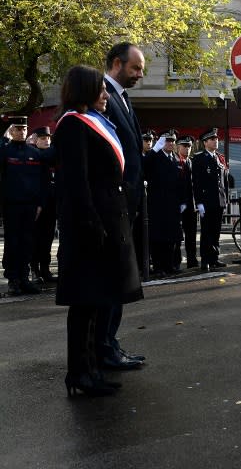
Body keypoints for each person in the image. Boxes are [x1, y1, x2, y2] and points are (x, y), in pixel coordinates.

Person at [53, 64, 143, 397]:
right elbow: (77, 184)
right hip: (90, 228)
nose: (106, 94)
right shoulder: (73, 126)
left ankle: (90, 369)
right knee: (84, 305)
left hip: (104, 223)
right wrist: (92, 223)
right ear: (85, 91)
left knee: (95, 302)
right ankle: (79, 373)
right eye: (100, 89)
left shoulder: (89, 122)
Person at [99, 41, 146, 370]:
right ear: (117, 64)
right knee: (111, 281)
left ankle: (109, 343)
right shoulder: (102, 97)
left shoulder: (122, 98)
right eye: (136, 68)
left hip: (126, 205)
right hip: (113, 206)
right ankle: (104, 347)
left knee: (119, 280)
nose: (140, 75)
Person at [0, 116, 46, 295]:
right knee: (13, 243)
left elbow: (42, 181)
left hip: (31, 206)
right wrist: (3, 138)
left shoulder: (34, 153)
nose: (22, 132)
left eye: (24, 129)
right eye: (18, 129)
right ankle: (13, 280)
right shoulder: (5, 151)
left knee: (27, 242)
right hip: (12, 205)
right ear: (11, 131)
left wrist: (40, 204)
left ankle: (24, 278)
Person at [144, 132, 184, 277]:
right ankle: (159, 266)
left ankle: (169, 265)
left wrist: (182, 201)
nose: (171, 143)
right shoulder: (155, 157)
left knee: (171, 238)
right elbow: (145, 165)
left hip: (172, 204)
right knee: (158, 237)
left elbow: (180, 182)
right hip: (158, 204)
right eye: (167, 141)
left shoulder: (175, 158)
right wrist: (154, 149)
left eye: (173, 141)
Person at [192, 128, 230, 272]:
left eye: (216, 139)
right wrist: (199, 202)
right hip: (206, 201)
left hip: (219, 200)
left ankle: (214, 258)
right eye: (212, 139)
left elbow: (224, 181)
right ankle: (205, 260)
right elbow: (196, 182)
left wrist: (225, 198)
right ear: (205, 142)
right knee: (206, 232)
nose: (216, 141)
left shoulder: (220, 157)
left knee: (216, 231)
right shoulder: (199, 158)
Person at [31, 126, 58, 284]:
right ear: (36, 140)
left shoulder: (52, 157)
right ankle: (34, 270)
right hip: (38, 205)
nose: (47, 140)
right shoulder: (35, 156)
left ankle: (45, 269)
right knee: (36, 238)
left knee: (48, 238)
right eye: (43, 138)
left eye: (48, 138)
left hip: (52, 204)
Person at [176, 135, 198, 268]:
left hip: (190, 204)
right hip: (177, 204)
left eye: (189, 146)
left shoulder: (192, 162)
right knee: (177, 235)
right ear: (178, 147)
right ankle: (176, 261)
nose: (187, 148)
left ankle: (192, 259)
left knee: (191, 234)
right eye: (185, 146)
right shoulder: (173, 161)